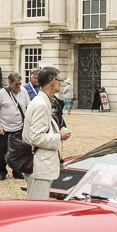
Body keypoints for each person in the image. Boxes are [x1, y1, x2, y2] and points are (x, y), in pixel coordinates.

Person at [23, 66, 71, 200]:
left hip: (42, 164)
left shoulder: (43, 101)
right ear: (53, 82)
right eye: (60, 80)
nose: (61, 83)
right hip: (39, 166)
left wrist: (56, 131)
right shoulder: (41, 104)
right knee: (37, 206)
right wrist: (59, 136)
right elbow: (36, 137)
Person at [0, 72, 28, 181]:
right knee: (3, 149)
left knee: (18, 150)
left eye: (20, 83)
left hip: (19, 126)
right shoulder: (2, 93)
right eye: (16, 84)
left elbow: (28, 106)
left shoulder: (24, 91)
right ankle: (2, 171)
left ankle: (17, 171)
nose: (18, 86)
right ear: (10, 83)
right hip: (5, 127)